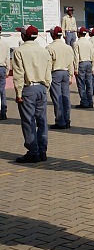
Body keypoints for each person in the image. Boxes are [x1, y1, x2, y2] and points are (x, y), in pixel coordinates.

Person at [12, 25, 52, 163]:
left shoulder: (19, 51)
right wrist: (46, 87)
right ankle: (43, 150)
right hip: (41, 87)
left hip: (28, 89)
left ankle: (33, 151)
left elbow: (19, 74)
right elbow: (48, 72)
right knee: (42, 121)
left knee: (28, 121)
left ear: (23, 36)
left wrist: (18, 93)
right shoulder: (44, 51)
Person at [46, 26, 75, 129]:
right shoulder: (68, 47)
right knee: (65, 97)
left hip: (55, 73)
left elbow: (48, 65)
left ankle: (60, 121)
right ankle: (67, 119)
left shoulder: (49, 48)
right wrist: (71, 75)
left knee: (57, 98)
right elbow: (71, 62)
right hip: (65, 73)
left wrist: (47, 79)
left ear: (53, 35)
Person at [73, 26, 94, 108]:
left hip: (81, 63)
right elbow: (93, 55)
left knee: (81, 84)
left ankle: (84, 102)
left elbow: (76, 56)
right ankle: (90, 101)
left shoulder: (76, 43)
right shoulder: (90, 43)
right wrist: (93, 67)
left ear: (78, 33)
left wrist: (75, 68)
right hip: (89, 63)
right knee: (89, 83)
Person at [0, 25, 10, 120]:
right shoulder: (5, 44)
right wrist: (7, 70)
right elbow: (7, 58)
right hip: (2, 68)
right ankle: (3, 112)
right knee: (2, 91)